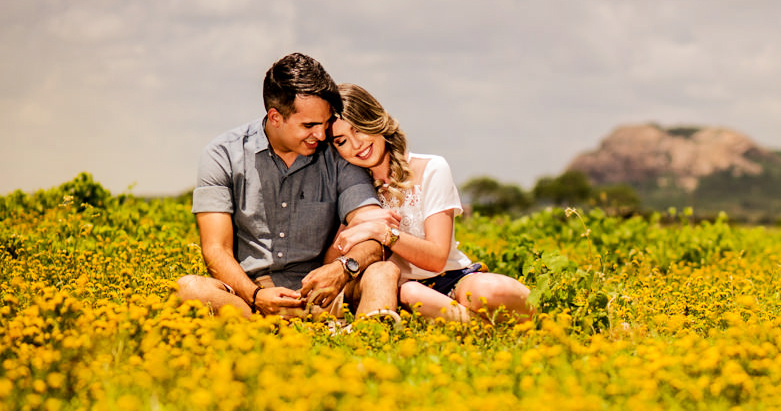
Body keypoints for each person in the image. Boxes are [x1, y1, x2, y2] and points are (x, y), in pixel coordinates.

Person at [177, 54, 395, 318]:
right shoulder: (222, 154)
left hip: (325, 293)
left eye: (325, 123)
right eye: (309, 125)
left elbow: (372, 232)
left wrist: (341, 269)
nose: (322, 134)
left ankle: (366, 345)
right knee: (187, 288)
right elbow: (216, 249)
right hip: (250, 297)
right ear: (275, 117)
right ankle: (269, 335)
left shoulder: (338, 153)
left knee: (383, 272)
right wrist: (256, 296)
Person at [328, 83, 533, 324]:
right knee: (412, 293)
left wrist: (383, 232)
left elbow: (436, 258)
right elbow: (332, 260)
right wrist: (357, 221)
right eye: (341, 141)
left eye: (359, 129)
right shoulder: (352, 191)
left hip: (451, 277)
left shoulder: (432, 169)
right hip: (399, 291)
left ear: (374, 119)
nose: (356, 145)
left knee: (490, 291)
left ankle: (541, 318)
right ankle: (483, 329)